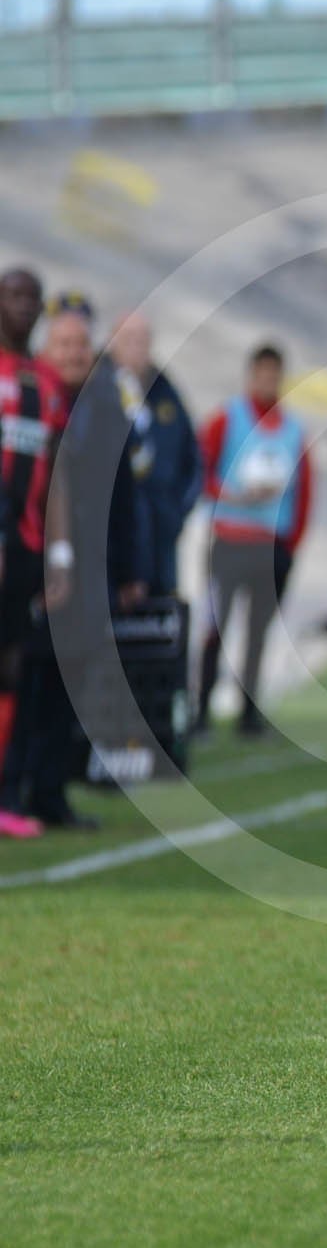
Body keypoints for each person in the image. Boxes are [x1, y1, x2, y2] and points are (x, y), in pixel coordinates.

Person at [0, 296, 148, 829]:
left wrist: (134, 570)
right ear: (46, 349)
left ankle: (50, 791)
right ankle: (12, 791)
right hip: (38, 560)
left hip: (92, 569)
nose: (72, 353)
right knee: (30, 677)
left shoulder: (109, 407)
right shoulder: (29, 398)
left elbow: (128, 498)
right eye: (62, 344)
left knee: (73, 683)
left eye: (81, 345)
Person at [197, 343, 312, 738]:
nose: (268, 381)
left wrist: (290, 546)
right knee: (215, 627)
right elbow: (198, 467)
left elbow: (305, 492)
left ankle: (249, 713)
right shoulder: (228, 419)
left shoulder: (294, 430)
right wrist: (228, 496)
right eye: (262, 373)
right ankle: (201, 712)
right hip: (230, 540)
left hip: (270, 545)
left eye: (275, 375)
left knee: (259, 632)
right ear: (251, 375)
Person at [0, 269, 69, 840]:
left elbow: (57, 482)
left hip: (23, 552)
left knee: (12, 669)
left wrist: (58, 556)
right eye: (14, 295)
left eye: (31, 298)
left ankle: (4, 796)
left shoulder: (45, 384)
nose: (25, 306)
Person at [106, 312, 203, 596]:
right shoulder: (98, 387)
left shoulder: (166, 391)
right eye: (129, 339)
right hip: (114, 540)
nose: (138, 347)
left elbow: (192, 459)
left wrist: (176, 513)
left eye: (143, 339)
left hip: (161, 535)